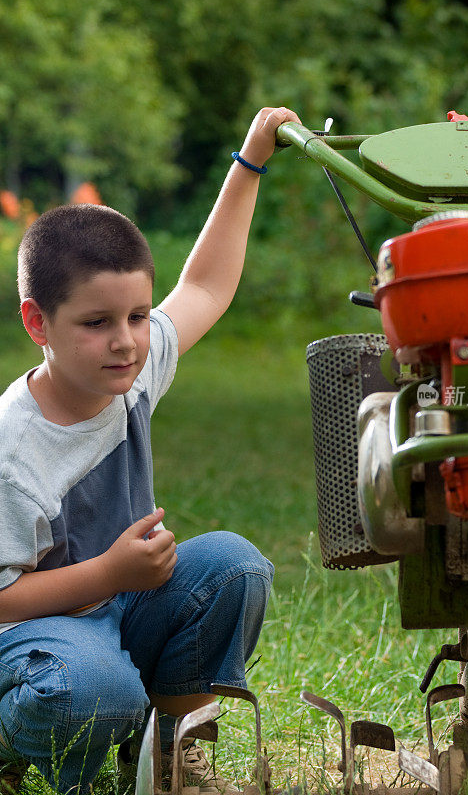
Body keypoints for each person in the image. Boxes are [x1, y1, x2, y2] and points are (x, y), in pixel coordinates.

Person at [0, 106, 301, 795]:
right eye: (97, 323)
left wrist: (251, 158)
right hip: (34, 638)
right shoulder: (13, 452)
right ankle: (9, 736)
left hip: (118, 605)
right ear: (37, 322)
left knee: (233, 568)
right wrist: (108, 574)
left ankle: (171, 751)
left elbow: (204, 286)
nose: (129, 340)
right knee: (94, 691)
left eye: (137, 316)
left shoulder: (128, 369)